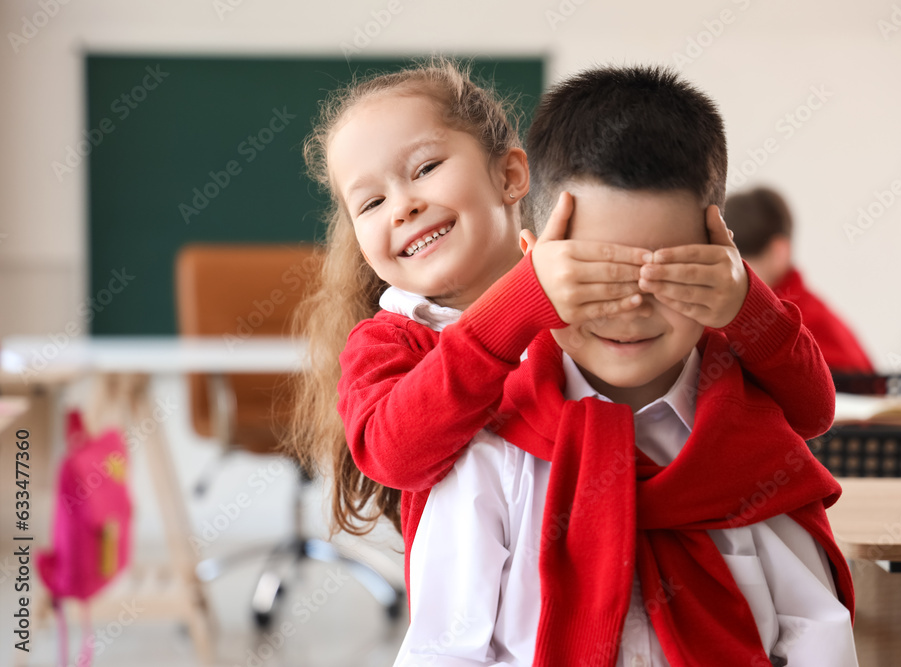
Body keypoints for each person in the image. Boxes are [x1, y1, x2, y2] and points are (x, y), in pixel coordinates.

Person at [288, 59, 853, 665]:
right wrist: (523, 302)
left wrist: (742, 301)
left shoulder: (676, 365)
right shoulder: (413, 352)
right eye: (370, 203)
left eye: (426, 168)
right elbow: (396, 456)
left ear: (510, 176)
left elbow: (812, 408)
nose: (402, 207)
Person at [724, 186, 875, 374]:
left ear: (779, 252)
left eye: (741, 265)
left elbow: (867, 396)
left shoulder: (807, 323)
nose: (728, 276)